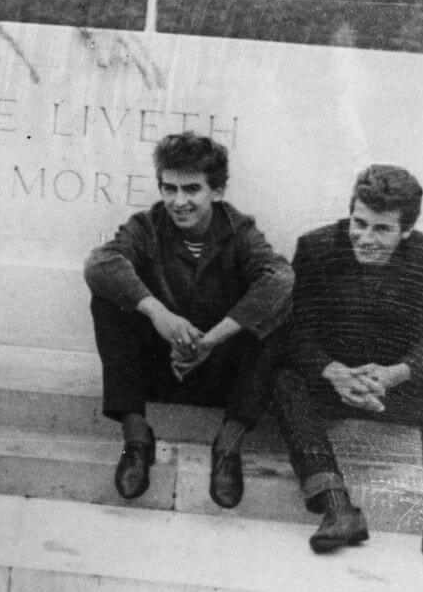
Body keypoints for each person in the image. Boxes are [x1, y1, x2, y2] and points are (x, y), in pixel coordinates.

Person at [272, 165, 423, 572]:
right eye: (359, 223)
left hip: (389, 387)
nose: (366, 238)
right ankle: (337, 508)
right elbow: (295, 332)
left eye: (382, 229)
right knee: (286, 380)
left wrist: (394, 373)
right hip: (332, 383)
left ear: (405, 231)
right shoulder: (317, 247)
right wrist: (333, 371)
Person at [84, 131, 292, 508]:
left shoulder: (240, 231)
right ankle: (136, 441)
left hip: (220, 374)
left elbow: (280, 279)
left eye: (191, 189)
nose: (178, 202)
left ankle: (228, 446)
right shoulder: (147, 226)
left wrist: (212, 339)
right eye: (169, 188)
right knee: (108, 299)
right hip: (161, 368)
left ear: (217, 190)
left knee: (277, 311)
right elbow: (100, 264)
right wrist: (158, 313)